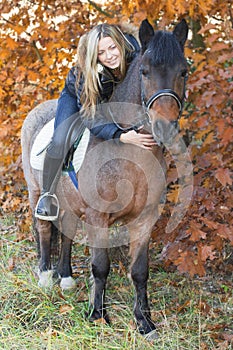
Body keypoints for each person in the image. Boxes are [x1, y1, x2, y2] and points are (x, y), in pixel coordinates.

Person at [35, 23, 156, 221]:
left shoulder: (135, 53)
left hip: (116, 97)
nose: (109, 56)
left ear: (121, 44)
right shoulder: (85, 74)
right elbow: (91, 115)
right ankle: (47, 195)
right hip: (84, 100)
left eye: (112, 48)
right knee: (60, 138)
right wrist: (121, 135)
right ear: (95, 55)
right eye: (102, 52)